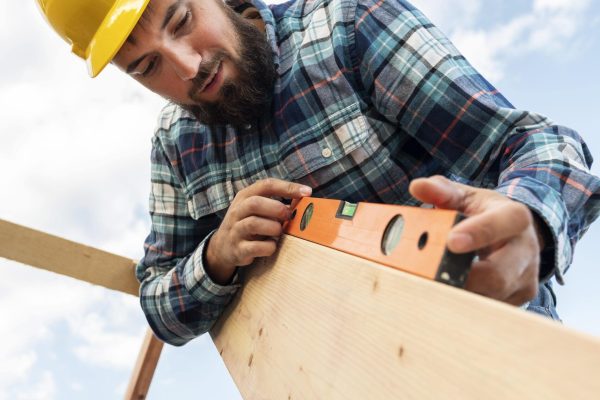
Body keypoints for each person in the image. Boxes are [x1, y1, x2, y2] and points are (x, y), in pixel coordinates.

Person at [36, 0, 600, 346]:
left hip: (485, 356)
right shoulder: (173, 148)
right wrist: (216, 258)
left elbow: (535, 145)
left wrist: (529, 216)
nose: (188, 68)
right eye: (147, 67)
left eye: (182, 20)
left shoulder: (349, 29)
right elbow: (158, 299)